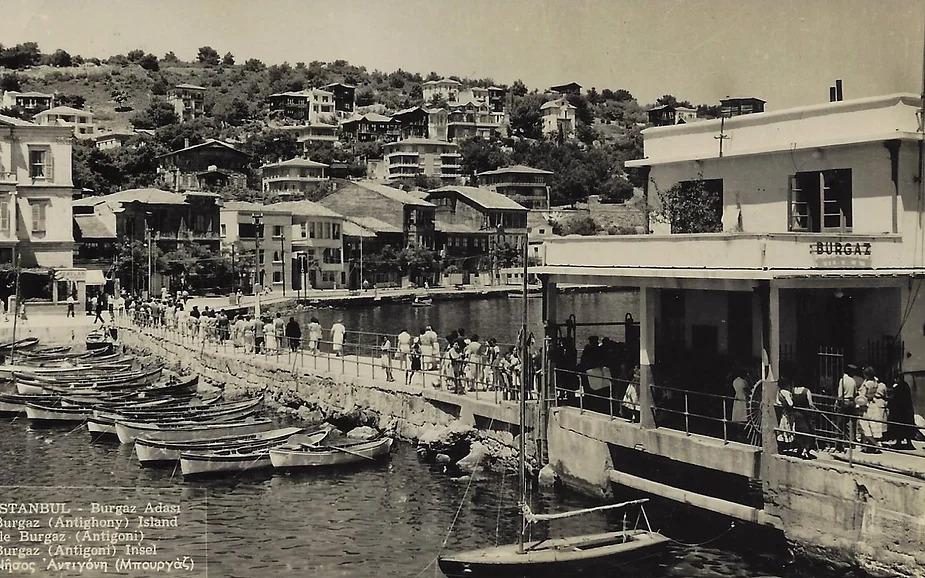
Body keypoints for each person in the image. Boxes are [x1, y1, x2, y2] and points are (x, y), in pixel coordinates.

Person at [859, 366, 887, 452]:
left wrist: (858, 400)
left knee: (864, 426)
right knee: (872, 426)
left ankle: (876, 444)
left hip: (866, 405)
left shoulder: (867, 384)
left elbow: (863, 396)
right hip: (872, 404)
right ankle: (866, 446)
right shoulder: (875, 382)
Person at [887, 373, 917, 450]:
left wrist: (888, 400)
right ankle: (908, 443)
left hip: (900, 411)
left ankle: (899, 443)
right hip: (907, 410)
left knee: (899, 427)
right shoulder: (906, 386)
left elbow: (895, 398)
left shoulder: (898, 387)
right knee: (907, 427)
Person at [836, 364, 860, 450]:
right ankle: (850, 441)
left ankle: (840, 443)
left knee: (840, 423)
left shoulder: (842, 380)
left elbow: (840, 395)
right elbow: (855, 393)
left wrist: (837, 404)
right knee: (850, 423)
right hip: (851, 402)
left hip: (844, 402)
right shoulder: (853, 381)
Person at [791, 381, 817, 459]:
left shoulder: (793, 390)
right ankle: (805, 449)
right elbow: (810, 404)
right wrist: (814, 409)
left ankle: (800, 448)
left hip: (797, 414)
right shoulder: (806, 391)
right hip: (805, 414)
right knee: (808, 432)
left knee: (799, 432)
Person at [776, 377, 796, 455]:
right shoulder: (786, 392)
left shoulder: (779, 392)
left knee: (782, 428)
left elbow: (777, 402)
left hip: (783, 412)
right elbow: (790, 403)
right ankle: (787, 447)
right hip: (788, 413)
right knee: (788, 428)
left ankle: (782, 447)